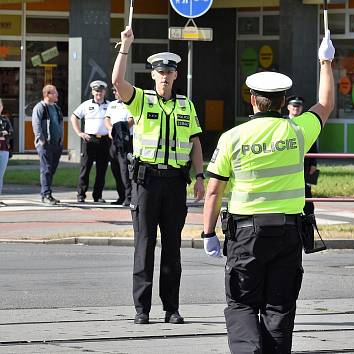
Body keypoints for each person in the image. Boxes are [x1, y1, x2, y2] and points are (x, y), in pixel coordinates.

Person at [201, 31, 334, 353]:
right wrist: (326, 62)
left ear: (252, 100)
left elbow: (213, 190)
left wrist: (207, 232)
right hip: (288, 233)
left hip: (246, 234)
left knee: (242, 303)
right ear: (285, 102)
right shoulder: (299, 130)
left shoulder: (233, 137)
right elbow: (326, 103)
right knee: (279, 306)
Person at [113, 26, 205, 325]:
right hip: (146, 182)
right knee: (144, 245)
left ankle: (171, 308)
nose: (164, 76)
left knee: (173, 249)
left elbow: (194, 142)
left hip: (176, 183)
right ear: (153, 75)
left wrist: (201, 176)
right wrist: (125, 46)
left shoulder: (185, 105)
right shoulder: (141, 100)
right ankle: (142, 309)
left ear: (176, 75)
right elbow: (117, 81)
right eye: (159, 72)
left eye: (169, 72)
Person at [71, 80, 111, 203]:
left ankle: (97, 196)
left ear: (104, 92)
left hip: (105, 140)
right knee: (85, 168)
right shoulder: (86, 105)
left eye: (101, 91)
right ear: (92, 91)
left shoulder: (110, 105)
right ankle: (81, 195)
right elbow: (74, 117)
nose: (98, 93)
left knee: (101, 170)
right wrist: (79, 132)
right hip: (90, 140)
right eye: (96, 91)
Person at [31, 85, 64, 205]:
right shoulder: (40, 107)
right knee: (46, 169)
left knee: (51, 169)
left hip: (57, 144)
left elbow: (59, 124)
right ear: (47, 95)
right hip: (45, 144)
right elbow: (36, 125)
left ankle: (47, 192)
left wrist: (61, 140)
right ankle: (46, 194)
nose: (57, 95)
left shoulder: (56, 108)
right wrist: (42, 140)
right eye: (54, 93)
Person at [287, 95, 318, 218]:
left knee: (307, 193)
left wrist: (314, 164)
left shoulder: (306, 123)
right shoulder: (283, 122)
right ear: (288, 107)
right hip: (288, 163)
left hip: (305, 164)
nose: (296, 108)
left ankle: (310, 220)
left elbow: (313, 145)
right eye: (294, 106)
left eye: (298, 106)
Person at [104, 88, 134, 206]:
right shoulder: (112, 104)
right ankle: (121, 196)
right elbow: (107, 119)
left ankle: (129, 197)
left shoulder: (130, 104)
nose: (115, 93)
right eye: (115, 91)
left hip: (125, 141)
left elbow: (131, 120)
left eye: (117, 91)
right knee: (115, 168)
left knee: (125, 170)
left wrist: (121, 129)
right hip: (114, 141)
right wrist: (111, 128)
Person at [0, 98, 13, 207]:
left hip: (4, 150)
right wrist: (3, 133)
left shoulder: (5, 120)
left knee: (1, 175)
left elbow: (11, 133)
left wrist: (5, 133)